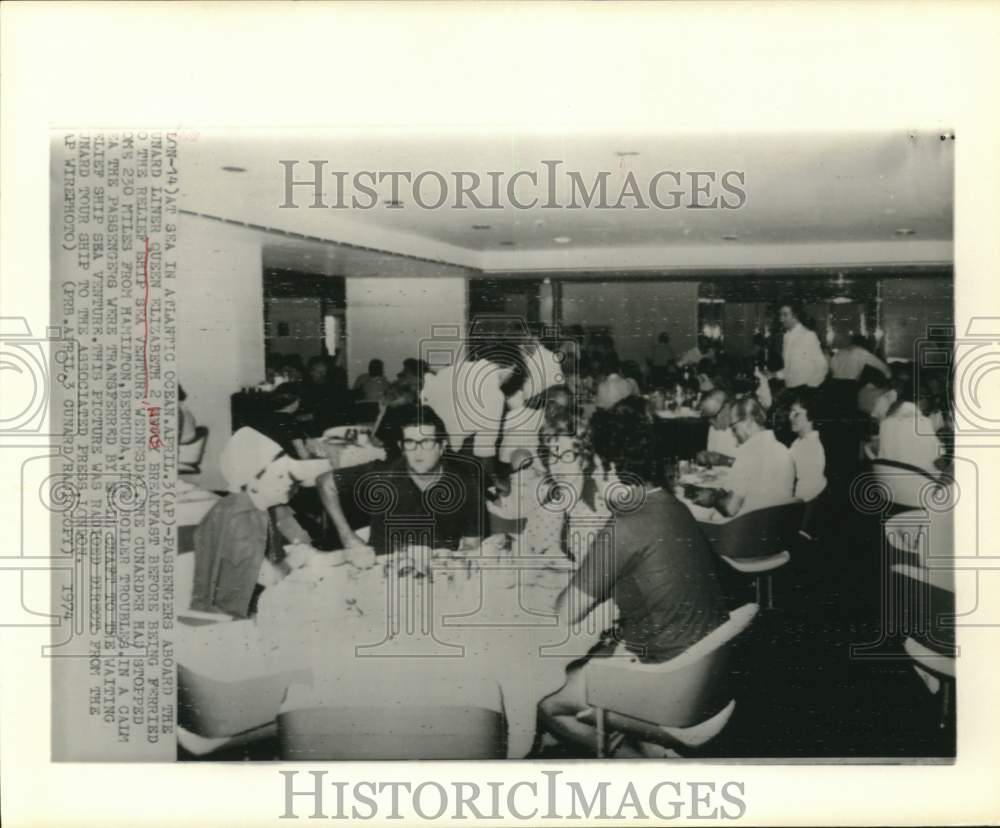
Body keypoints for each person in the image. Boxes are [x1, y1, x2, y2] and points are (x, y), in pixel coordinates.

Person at [539, 398, 728, 753]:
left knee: (545, 701)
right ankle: (640, 745)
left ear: (608, 468)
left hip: (672, 687)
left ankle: (635, 764)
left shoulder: (626, 523)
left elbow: (566, 612)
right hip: (709, 676)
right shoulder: (669, 502)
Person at [191, 428, 319, 618]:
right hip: (226, 619)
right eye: (279, 477)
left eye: (288, 475)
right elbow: (271, 577)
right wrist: (296, 558)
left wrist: (302, 553)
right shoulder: (235, 515)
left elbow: (305, 545)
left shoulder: (274, 505)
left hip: (264, 604)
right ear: (252, 483)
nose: (289, 483)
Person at [355, 405, 486, 555]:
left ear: (442, 446)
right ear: (402, 447)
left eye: (426, 442)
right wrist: (349, 538)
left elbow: (472, 544)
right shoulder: (385, 475)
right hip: (386, 565)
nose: (418, 451)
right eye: (410, 442)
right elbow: (326, 482)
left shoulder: (465, 485)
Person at [687, 396, 795, 518]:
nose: (733, 435)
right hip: (774, 527)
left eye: (734, 428)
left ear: (748, 422)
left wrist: (711, 499)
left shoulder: (748, 452)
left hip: (744, 529)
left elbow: (730, 508)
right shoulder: (784, 450)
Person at [871, 379, 944, 473]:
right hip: (919, 479)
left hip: (891, 478)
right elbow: (939, 462)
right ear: (921, 398)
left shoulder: (886, 422)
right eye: (930, 398)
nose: (932, 403)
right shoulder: (922, 423)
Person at [774, 302, 828, 389]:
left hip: (805, 390)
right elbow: (790, 368)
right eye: (780, 315)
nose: (781, 319)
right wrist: (775, 375)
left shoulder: (808, 335)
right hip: (791, 388)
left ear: (796, 316)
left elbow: (822, 366)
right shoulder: (786, 337)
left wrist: (810, 387)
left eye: (785, 315)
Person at [789, 390, 827, 502]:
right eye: (790, 412)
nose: (790, 417)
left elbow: (804, 494)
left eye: (796, 413)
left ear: (811, 417)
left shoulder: (809, 447)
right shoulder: (800, 442)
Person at [696, 389, 738, 467]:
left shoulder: (743, 429)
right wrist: (706, 458)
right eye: (707, 418)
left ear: (726, 408)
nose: (711, 423)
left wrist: (725, 461)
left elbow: (752, 467)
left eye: (714, 417)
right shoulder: (714, 429)